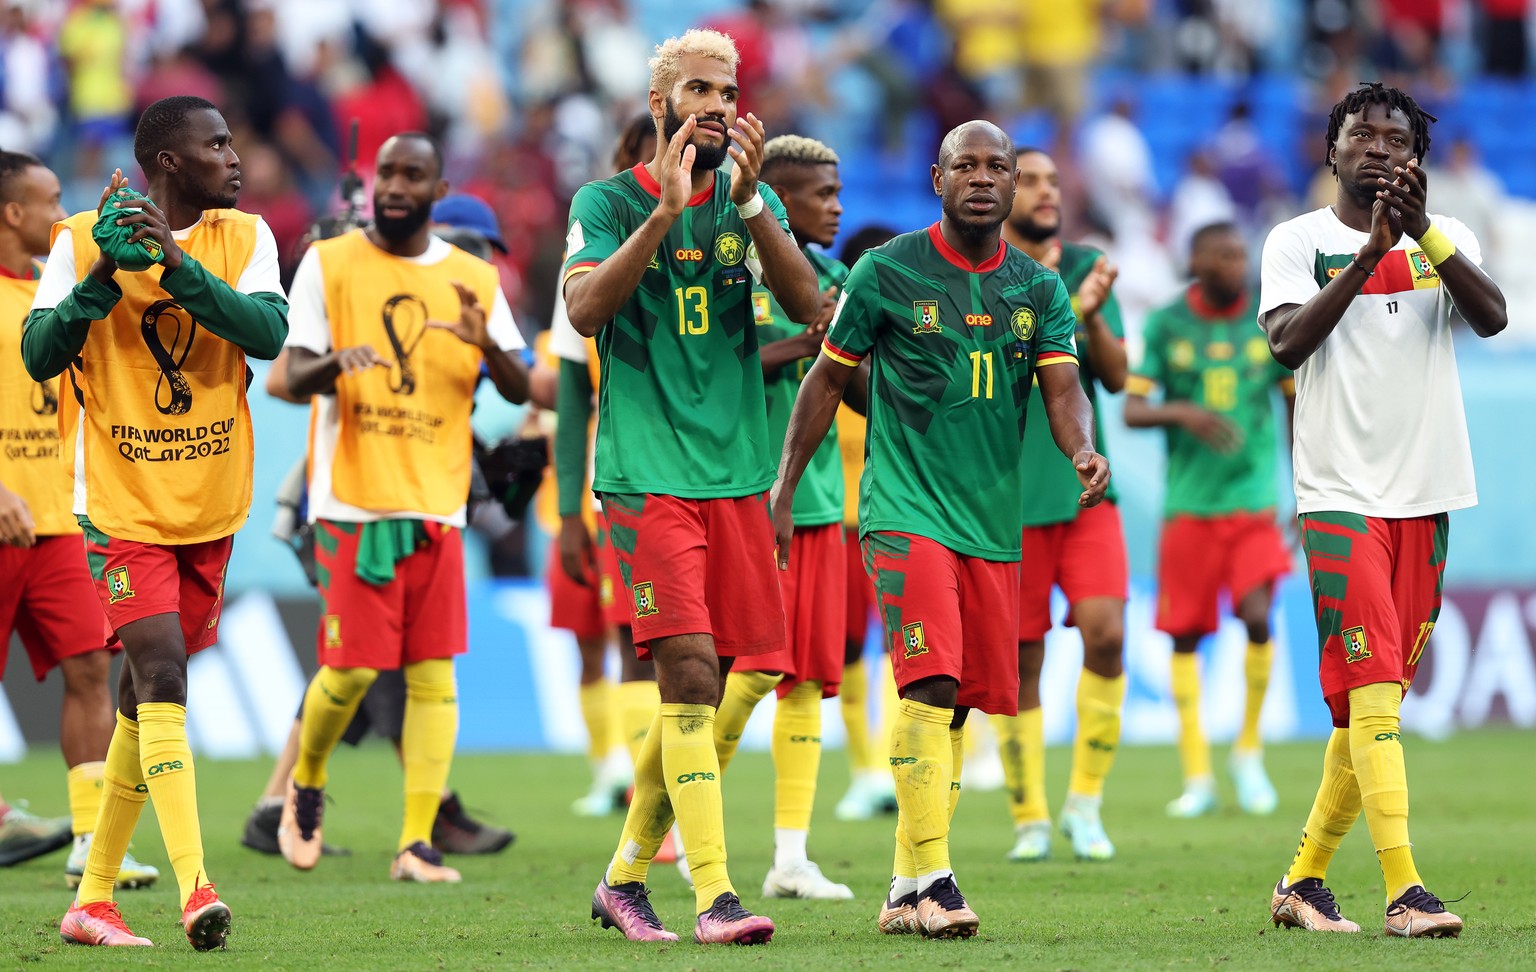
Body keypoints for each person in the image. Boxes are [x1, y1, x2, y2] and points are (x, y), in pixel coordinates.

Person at [773, 120, 1109, 939]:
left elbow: (1064, 390)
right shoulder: (885, 272)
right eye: (968, 164)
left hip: (990, 524)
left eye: (1000, 166)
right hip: (903, 510)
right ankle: (940, 879)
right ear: (937, 177)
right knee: (929, 683)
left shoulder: (1038, 288)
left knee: (955, 707)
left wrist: (1083, 450)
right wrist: (783, 489)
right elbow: (823, 383)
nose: (985, 178)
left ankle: (901, 885)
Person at [564, 29, 819, 945]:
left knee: (717, 688)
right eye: (698, 90)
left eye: (728, 90)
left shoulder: (748, 205)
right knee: (690, 676)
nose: (716, 105)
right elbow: (585, 310)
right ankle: (715, 896)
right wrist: (664, 214)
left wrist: (752, 208)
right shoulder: (603, 202)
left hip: (735, 476)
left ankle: (623, 880)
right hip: (645, 475)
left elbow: (809, 310)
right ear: (662, 101)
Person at [25, 95, 289, 949]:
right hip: (120, 503)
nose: (235, 158)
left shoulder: (248, 237)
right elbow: (39, 354)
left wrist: (173, 265)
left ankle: (91, 899)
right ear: (169, 162)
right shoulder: (76, 240)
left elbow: (268, 333)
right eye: (217, 144)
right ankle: (194, 888)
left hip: (210, 503)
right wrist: (105, 277)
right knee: (163, 671)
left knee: (145, 697)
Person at [1260, 82, 1506, 938]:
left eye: (1395, 139)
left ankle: (1303, 882)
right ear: (1332, 150)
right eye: (1359, 134)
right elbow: (1287, 343)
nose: (1377, 147)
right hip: (1337, 494)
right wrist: (1368, 253)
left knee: (1377, 706)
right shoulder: (1297, 241)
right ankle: (1405, 892)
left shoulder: (1448, 241)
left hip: (1428, 496)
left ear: (1417, 158)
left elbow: (1493, 318)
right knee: (1372, 693)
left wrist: (1424, 233)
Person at [276, 131, 529, 884]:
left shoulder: (474, 279)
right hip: (354, 502)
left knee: (433, 680)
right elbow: (288, 377)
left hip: (438, 505)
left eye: (411, 174)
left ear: (436, 188)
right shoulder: (328, 261)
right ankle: (306, 782)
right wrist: (334, 363)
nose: (393, 184)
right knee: (349, 674)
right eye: (386, 170)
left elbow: (518, 388)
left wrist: (493, 347)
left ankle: (416, 842)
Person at [0, 151, 159, 891]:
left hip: (59, 519)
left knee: (93, 668)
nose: (62, 213)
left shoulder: (53, 295)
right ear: (12, 213)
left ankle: (92, 839)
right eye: (51, 199)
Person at [708, 133, 853, 901]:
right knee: (755, 666)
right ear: (779, 197)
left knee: (803, 683)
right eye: (822, 195)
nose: (837, 206)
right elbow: (705, 365)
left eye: (838, 192)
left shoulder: (835, 278)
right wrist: (803, 343)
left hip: (822, 500)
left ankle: (789, 859)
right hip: (748, 493)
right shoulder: (731, 263)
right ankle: (670, 813)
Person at [1123, 222, 1294, 818]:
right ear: (1196, 260)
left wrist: (1304, 484)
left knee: (1255, 616)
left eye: (1240, 252)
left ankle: (1248, 751)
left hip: (1251, 503)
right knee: (1188, 637)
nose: (1236, 262)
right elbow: (1133, 410)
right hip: (1190, 507)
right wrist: (1183, 412)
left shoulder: (1270, 318)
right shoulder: (1167, 324)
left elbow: (1294, 402)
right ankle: (1197, 772)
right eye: (1224, 253)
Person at [991, 147, 1127, 863]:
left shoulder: (1086, 266)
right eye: (1032, 180)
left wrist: (1092, 315)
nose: (1048, 191)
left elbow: (1117, 376)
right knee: (1023, 660)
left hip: (1084, 488)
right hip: (1010, 495)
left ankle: (1085, 805)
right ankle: (1030, 817)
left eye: (1053, 178)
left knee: (1105, 634)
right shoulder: (981, 273)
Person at [545, 114, 661, 823]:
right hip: (608, 484)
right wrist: (565, 513)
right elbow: (567, 406)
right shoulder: (587, 272)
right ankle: (617, 776)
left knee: (643, 640)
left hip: (677, 477)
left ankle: (642, 783)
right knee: (611, 640)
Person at [827, 224, 900, 824]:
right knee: (851, 650)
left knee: (916, 647)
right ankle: (865, 771)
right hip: (845, 521)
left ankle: (907, 763)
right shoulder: (834, 347)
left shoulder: (911, 346)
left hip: (900, 517)